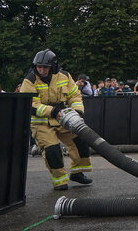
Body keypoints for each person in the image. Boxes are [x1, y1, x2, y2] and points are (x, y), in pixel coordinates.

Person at [20, 49, 93, 191]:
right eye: (39, 67)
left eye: (45, 67)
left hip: (62, 117)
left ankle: (77, 173)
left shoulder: (65, 76)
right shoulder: (30, 80)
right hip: (41, 122)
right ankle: (60, 181)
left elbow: (75, 96)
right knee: (52, 150)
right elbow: (31, 105)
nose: (41, 70)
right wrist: (52, 111)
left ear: (53, 66)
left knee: (80, 141)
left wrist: (77, 111)